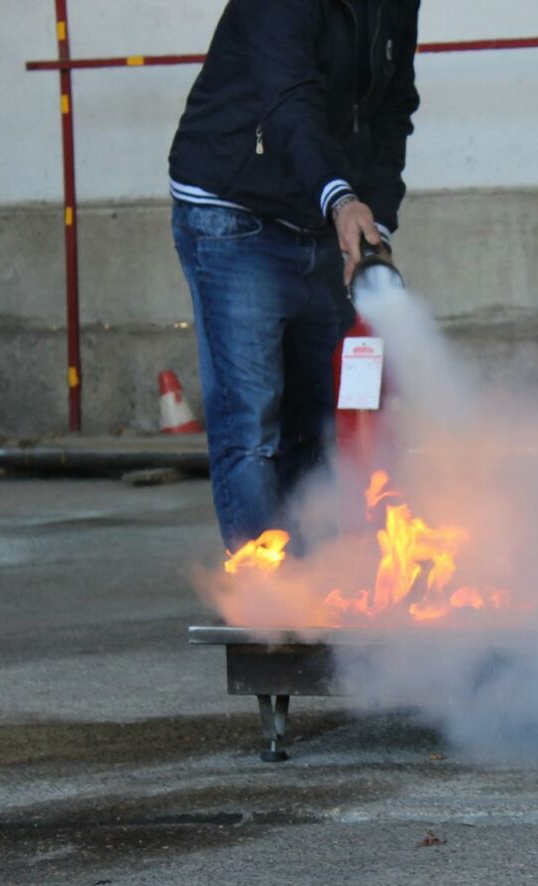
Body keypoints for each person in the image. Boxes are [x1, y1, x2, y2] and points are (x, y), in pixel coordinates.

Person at [168, 0, 420, 552]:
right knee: (253, 424)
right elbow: (289, 107)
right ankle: (268, 611)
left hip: (318, 210)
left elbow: (392, 109)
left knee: (321, 420)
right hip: (232, 212)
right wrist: (340, 199)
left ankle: (317, 587)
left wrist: (373, 218)